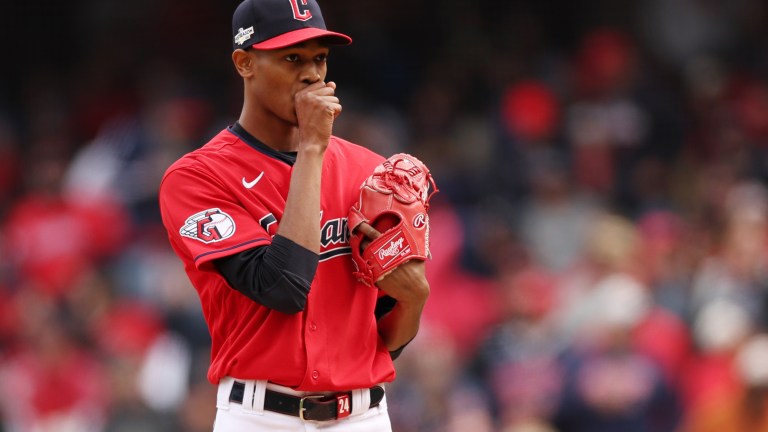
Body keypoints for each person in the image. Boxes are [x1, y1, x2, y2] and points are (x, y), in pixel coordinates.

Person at [157, 0, 431, 430]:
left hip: (361, 416)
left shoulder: (369, 173)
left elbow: (380, 341)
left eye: (319, 58)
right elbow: (282, 287)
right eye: (292, 58)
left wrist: (414, 301)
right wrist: (313, 148)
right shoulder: (197, 177)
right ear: (245, 63)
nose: (312, 74)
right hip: (260, 415)